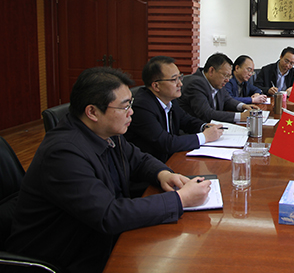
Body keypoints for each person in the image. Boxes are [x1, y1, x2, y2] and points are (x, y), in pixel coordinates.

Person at [7, 67, 212, 273]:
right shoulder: (63, 153)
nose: (131, 112)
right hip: (65, 255)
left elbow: (139, 160)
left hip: (97, 239)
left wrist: (163, 174)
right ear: (92, 112)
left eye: (131, 103)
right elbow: (108, 215)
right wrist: (180, 200)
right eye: (124, 106)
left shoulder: (107, 132)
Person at [124, 56, 223, 163]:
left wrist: (204, 126)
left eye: (180, 77)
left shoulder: (170, 99)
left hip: (170, 160)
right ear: (156, 86)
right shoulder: (142, 107)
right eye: (174, 79)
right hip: (150, 165)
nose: (180, 84)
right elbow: (166, 143)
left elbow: (186, 121)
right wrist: (204, 137)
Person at [179, 52, 258, 123]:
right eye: (226, 75)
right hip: (194, 130)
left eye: (229, 76)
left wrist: (243, 106)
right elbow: (206, 113)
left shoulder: (217, 82)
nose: (227, 80)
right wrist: (241, 116)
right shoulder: (196, 83)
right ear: (211, 71)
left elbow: (227, 99)